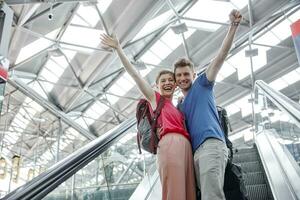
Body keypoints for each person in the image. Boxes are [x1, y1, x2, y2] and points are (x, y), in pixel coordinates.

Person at [100, 34, 196, 200]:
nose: (167, 82)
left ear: (175, 85)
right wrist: (118, 49)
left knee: (189, 192)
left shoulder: (178, 107)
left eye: (170, 80)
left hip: (186, 146)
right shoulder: (155, 99)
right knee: (174, 191)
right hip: (169, 144)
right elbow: (135, 76)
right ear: (156, 86)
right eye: (163, 81)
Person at [174, 9, 242, 200]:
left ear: (193, 74)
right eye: (179, 75)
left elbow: (221, 56)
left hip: (211, 145)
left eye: (186, 73)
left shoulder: (203, 83)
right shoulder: (180, 106)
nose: (183, 78)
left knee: (212, 196)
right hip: (196, 153)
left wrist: (233, 26)